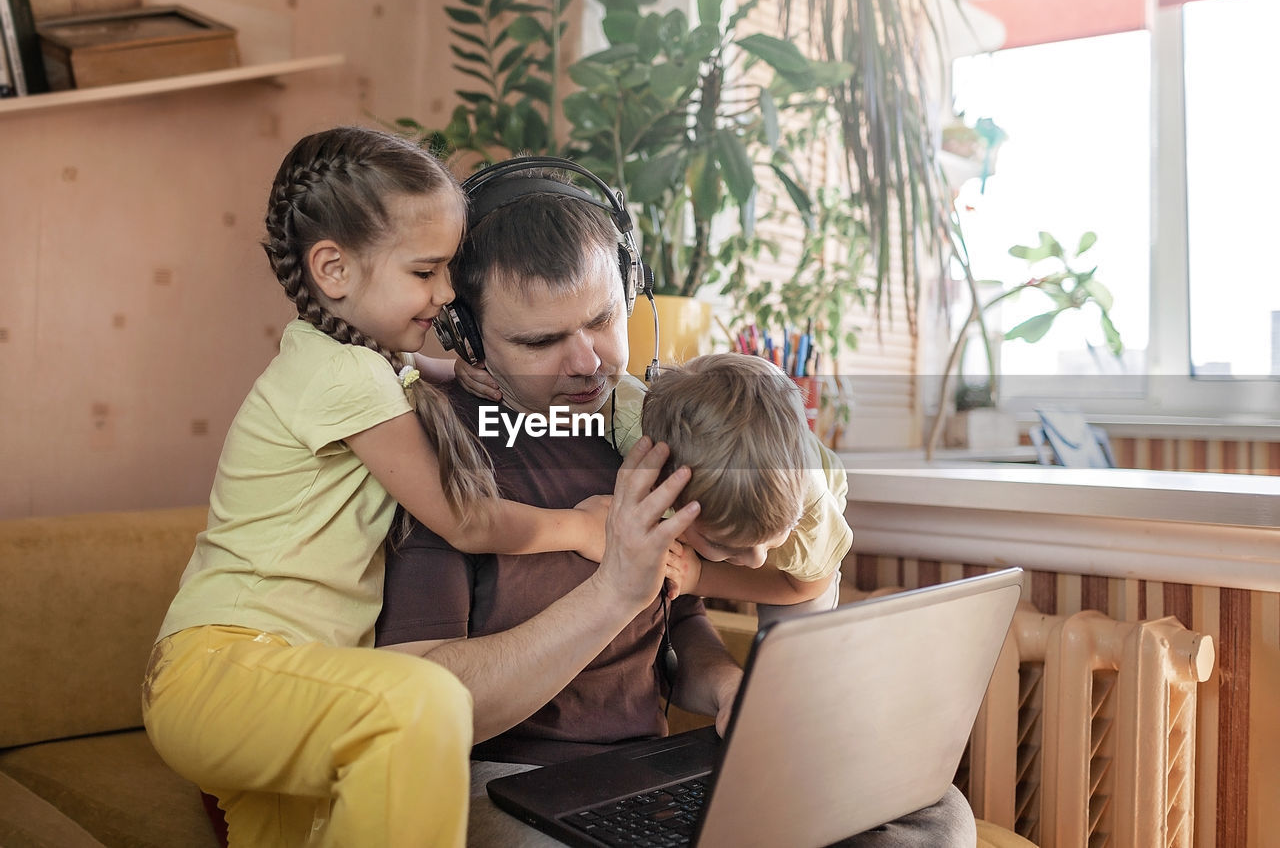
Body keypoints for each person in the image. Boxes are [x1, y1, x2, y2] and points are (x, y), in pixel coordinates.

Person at [377, 163, 977, 846]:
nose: (589, 363)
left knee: (932, 812)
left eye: (603, 319)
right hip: (507, 780)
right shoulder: (432, 453)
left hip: (647, 769)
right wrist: (614, 590)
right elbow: (421, 698)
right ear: (467, 339)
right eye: (542, 342)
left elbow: (676, 628)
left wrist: (726, 688)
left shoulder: (641, 426)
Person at [141, 127, 614, 848]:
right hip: (229, 666)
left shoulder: (348, 364)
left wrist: (467, 372)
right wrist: (577, 528)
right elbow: (465, 519)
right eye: (426, 272)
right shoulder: (345, 376)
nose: (447, 293)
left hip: (281, 676)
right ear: (333, 268)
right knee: (421, 701)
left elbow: (408, 380)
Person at [619, 352, 852, 625]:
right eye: (720, 543)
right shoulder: (631, 432)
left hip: (800, 552)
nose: (758, 560)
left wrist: (698, 578)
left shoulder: (810, 511)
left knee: (799, 641)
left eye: (767, 542)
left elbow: (803, 587)